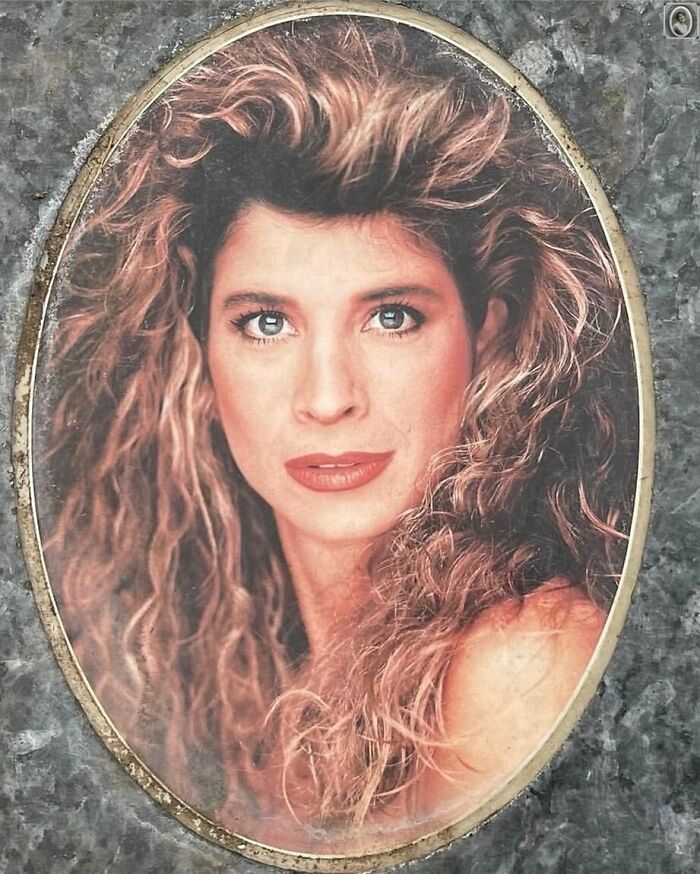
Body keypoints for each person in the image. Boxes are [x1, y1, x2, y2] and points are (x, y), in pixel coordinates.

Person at [38, 17, 638, 853]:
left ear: (488, 339)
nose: (326, 398)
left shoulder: (523, 664)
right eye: (265, 323)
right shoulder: (227, 691)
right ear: (201, 358)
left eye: (391, 317)